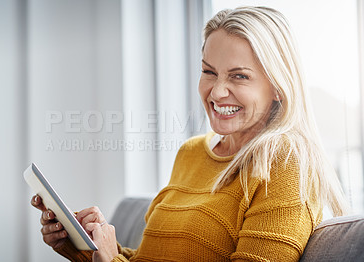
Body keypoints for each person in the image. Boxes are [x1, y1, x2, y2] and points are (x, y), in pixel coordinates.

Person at [31, 6, 349, 261]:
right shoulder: (191, 153)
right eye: (209, 72)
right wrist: (85, 246)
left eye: (239, 76)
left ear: (278, 87)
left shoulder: (285, 164)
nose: (217, 91)